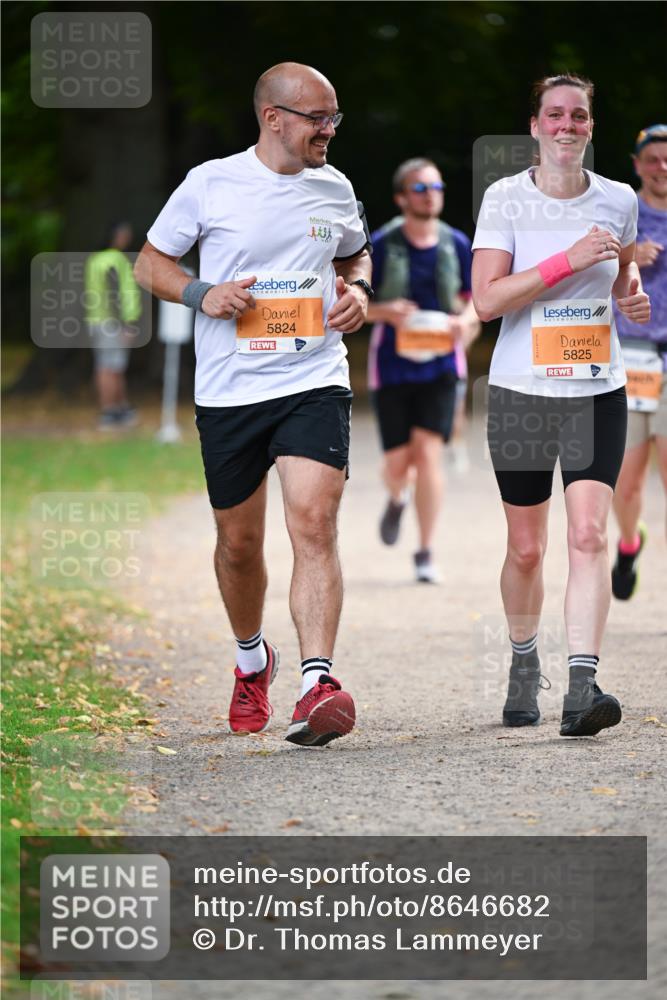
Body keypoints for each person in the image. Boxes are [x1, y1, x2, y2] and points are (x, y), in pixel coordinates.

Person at [134, 63, 372, 746]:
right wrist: (201, 293)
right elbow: (150, 264)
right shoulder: (211, 184)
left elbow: (355, 258)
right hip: (231, 391)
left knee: (314, 521)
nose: (328, 129)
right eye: (316, 118)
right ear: (273, 118)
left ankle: (316, 682)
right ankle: (251, 660)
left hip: (313, 377)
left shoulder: (335, 187)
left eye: (334, 117)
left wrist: (355, 291)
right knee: (240, 546)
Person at [471, 74, 651, 737]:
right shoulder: (504, 199)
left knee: (586, 535)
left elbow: (623, 267)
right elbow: (484, 301)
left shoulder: (618, 199)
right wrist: (563, 261)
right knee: (524, 549)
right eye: (555, 114)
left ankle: (581, 683)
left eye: (578, 115)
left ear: (590, 128)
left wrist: (628, 297)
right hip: (521, 393)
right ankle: (524, 661)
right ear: (535, 126)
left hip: (594, 391)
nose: (567, 124)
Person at [366, 158, 480, 583]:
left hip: (442, 365)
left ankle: (425, 551)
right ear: (401, 197)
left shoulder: (457, 243)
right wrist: (385, 310)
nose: (430, 194)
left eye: (436, 187)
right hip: (392, 366)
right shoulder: (380, 243)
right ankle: (397, 497)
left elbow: (475, 301)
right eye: (419, 188)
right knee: (397, 462)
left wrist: (463, 323)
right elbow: (354, 308)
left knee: (429, 452)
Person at [611, 124, 667, 599]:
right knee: (626, 485)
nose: (662, 166)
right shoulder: (620, 211)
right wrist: (629, 262)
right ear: (637, 164)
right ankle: (630, 542)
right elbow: (584, 277)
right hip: (631, 357)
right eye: (652, 158)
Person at [85, 222, 141, 430]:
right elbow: (114, 291)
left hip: (98, 320)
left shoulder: (95, 259)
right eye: (123, 235)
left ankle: (119, 408)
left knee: (110, 365)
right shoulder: (114, 260)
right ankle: (109, 411)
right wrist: (126, 323)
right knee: (110, 367)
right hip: (112, 322)